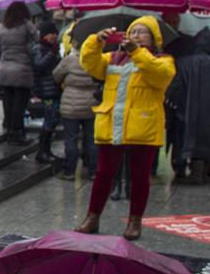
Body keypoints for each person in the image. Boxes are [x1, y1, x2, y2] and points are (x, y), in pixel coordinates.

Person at [75, 17, 175, 240]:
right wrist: (96, 41)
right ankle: (92, 218)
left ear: (153, 38)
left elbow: (160, 76)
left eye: (142, 32)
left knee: (140, 176)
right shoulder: (112, 58)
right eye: (133, 31)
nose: (137, 35)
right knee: (103, 174)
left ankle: (135, 222)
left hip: (143, 126)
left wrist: (137, 52)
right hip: (113, 124)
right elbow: (89, 63)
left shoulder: (163, 59)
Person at [167, 28, 210, 185]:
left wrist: (174, 103)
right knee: (207, 140)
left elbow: (176, 86)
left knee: (181, 139)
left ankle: (180, 169)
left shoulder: (183, 62)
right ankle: (201, 172)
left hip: (185, 109)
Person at [53, 37, 98, 180]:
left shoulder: (70, 60)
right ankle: (93, 171)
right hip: (92, 103)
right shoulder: (97, 58)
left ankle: (69, 171)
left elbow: (56, 75)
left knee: (71, 139)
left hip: (71, 104)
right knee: (91, 140)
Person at [0, 3, 37, 144]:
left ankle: (9, 131)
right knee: (20, 104)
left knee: (8, 103)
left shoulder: (2, 27)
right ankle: (17, 134)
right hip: (21, 70)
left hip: (5, 70)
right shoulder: (26, 25)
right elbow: (37, 39)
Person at [31, 21, 62, 164]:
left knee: (53, 120)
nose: (55, 36)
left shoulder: (51, 48)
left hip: (54, 90)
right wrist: (52, 53)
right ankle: (42, 152)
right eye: (52, 33)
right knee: (49, 121)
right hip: (46, 91)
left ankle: (47, 150)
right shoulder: (38, 48)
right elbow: (39, 65)